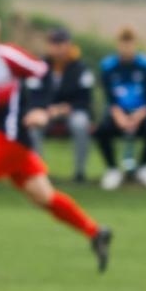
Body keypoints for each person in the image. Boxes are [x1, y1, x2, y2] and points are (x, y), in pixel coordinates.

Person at [0, 8, 112, 277]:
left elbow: (42, 72)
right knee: (44, 197)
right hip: (9, 138)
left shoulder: (7, 55)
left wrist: (41, 108)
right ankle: (95, 232)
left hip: (10, 135)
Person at [96, 26, 146, 190]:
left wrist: (136, 117)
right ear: (118, 44)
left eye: (130, 44)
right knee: (101, 130)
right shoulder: (108, 66)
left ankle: (143, 168)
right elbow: (109, 98)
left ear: (135, 44)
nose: (126, 48)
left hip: (140, 113)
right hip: (118, 114)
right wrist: (119, 116)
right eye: (123, 44)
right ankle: (112, 169)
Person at [43, 27, 95, 183]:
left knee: (80, 124)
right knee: (34, 124)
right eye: (54, 43)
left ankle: (80, 173)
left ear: (68, 45)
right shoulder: (41, 65)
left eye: (61, 43)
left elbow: (86, 98)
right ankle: (38, 173)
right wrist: (47, 109)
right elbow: (34, 94)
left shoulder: (80, 68)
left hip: (73, 110)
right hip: (48, 111)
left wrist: (68, 108)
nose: (58, 47)